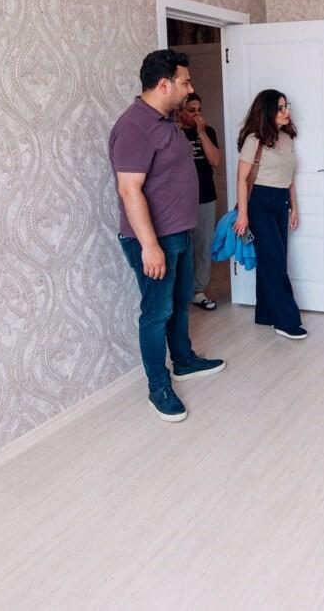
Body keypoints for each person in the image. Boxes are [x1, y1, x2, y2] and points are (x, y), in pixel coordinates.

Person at [109, 50, 225, 422]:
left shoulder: (167, 120)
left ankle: (184, 360)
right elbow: (129, 190)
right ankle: (158, 386)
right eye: (185, 82)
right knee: (156, 313)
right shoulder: (134, 127)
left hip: (179, 233)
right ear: (164, 84)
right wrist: (149, 246)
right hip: (154, 240)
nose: (190, 88)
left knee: (178, 304)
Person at [233, 90, 306, 339]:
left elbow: (289, 177)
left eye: (287, 106)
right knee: (274, 262)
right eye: (280, 108)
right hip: (260, 203)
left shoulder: (287, 138)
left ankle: (265, 313)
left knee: (274, 259)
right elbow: (242, 179)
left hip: (280, 201)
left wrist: (294, 206)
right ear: (267, 111)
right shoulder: (254, 139)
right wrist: (243, 215)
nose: (286, 112)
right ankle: (286, 321)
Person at [177, 93, 222, 311]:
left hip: (205, 196)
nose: (196, 115)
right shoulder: (173, 133)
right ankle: (181, 292)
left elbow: (215, 160)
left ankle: (199, 291)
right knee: (183, 245)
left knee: (204, 244)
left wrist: (201, 132)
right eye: (191, 110)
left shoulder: (208, 131)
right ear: (179, 111)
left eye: (199, 110)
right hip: (179, 199)